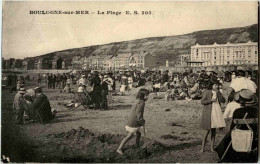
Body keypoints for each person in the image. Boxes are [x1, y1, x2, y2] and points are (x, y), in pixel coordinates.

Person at [117, 88, 150, 155]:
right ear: (142, 96)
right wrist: (141, 120)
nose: (147, 97)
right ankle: (119, 148)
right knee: (129, 135)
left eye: (148, 95)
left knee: (138, 133)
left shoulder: (138, 100)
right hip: (135, 121)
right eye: (146, 95)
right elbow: (138, 112)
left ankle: (137, 145)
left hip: (133, 119)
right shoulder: (142, 103)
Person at [200, 82, 226, 153]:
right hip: (209, 113)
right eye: (215, 85)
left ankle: (212, 147)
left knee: (213, 131)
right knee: (207, 131)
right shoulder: (207, 92)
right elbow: (202, 101)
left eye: (217, 85)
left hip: (216, 112)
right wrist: (210, 100)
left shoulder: (218, 92)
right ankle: (202, 148)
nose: (216, 86)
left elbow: (223, 101)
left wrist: (219, 93)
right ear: (211, 86)